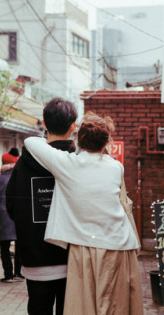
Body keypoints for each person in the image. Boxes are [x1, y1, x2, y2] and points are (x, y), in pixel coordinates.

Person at [24, 112, 143, 315]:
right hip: (119, 246)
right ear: (107, 142)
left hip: (84, 248)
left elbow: (30, 141)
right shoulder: (116, 167)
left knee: (85, 307)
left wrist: (68, 132)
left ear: (79, 139)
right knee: (116, 306)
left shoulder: (67, 164)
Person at [6, 98, 77, 315]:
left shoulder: (23, 164)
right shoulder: (77, 162)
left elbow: (11, 206)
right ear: (73, 126)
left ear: (44, 124)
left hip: (35, 257)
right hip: (71, 258)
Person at [0, 148, 23, 283]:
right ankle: (18, 273)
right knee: (19, 245)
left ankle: (8, 275)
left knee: (4, 246)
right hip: (19, 214)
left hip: (4, 215)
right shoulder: (20, 178)